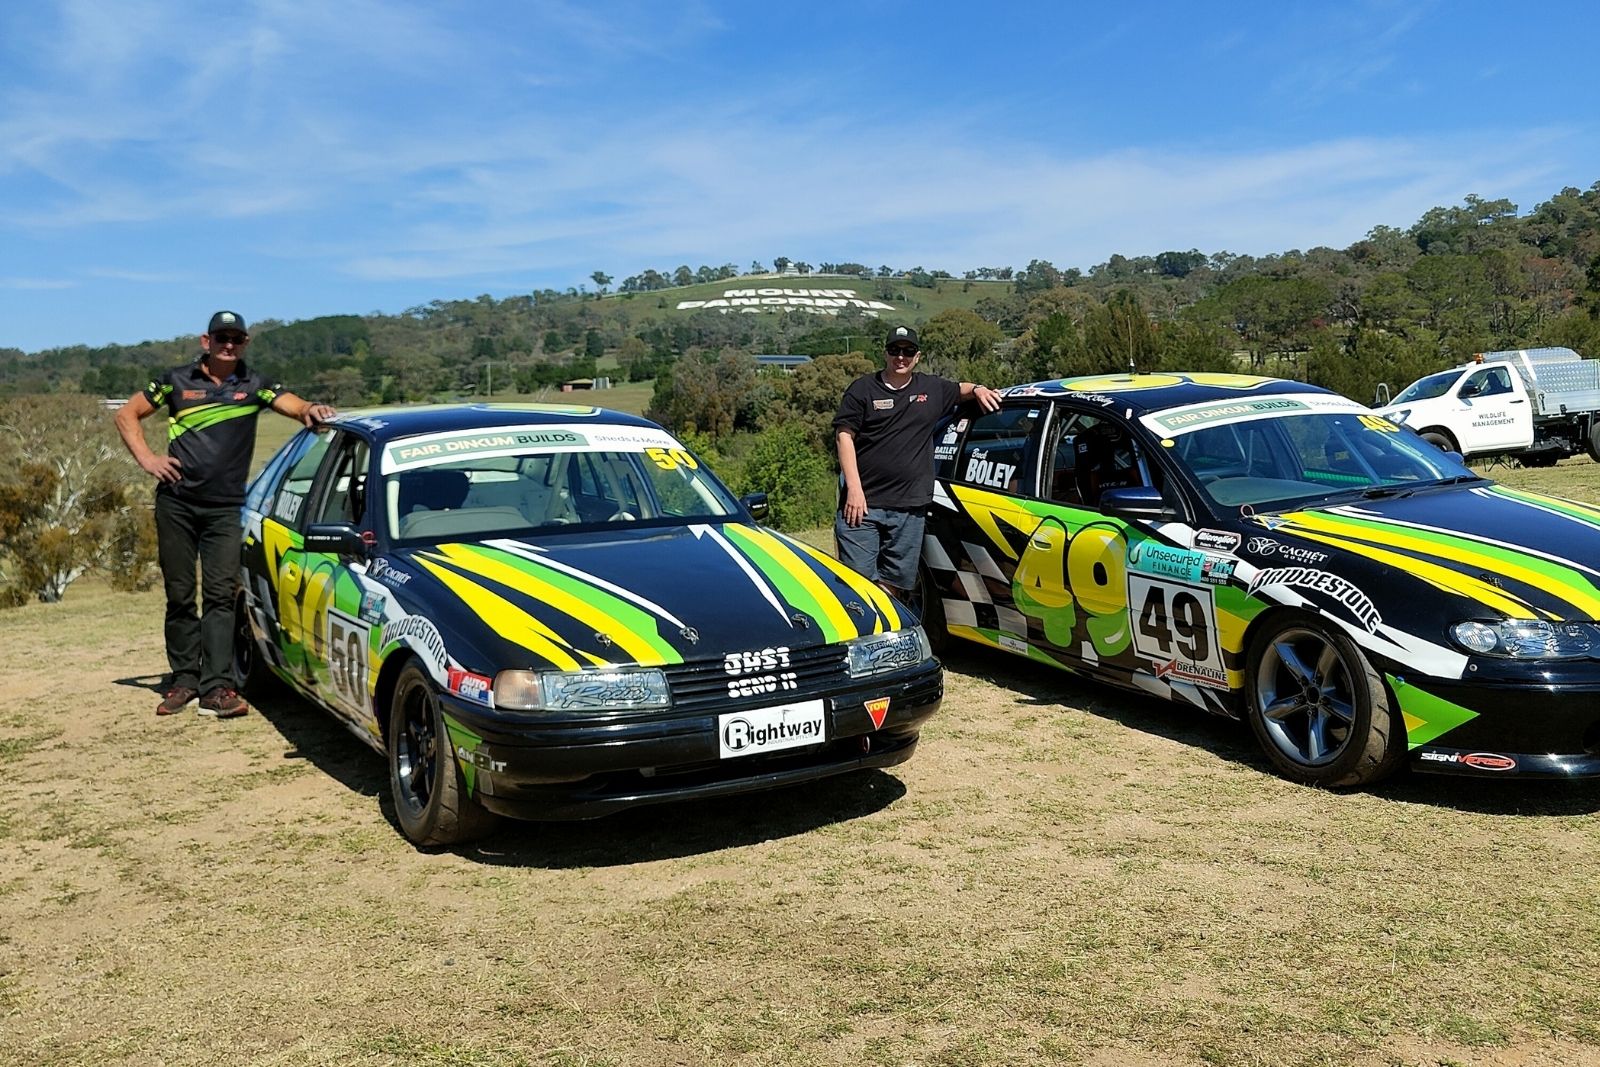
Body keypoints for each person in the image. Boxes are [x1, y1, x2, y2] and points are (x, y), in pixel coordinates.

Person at [115, 311, 338, 718]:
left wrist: (312, 409)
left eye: (236, 338)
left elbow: (294, 405)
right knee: (180, 595)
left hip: (224, 509)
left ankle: (216, 688)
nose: (228, 345)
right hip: (177, 504)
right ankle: (184, 680)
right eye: (221, 337)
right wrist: (148, 459)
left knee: (220, 596)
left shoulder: (255, 384)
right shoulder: (175, 380)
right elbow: (126, 414)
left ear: (246, 342)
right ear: (206, 340)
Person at [833, 325, 1002, 600]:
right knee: (858, 586)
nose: (901, 357)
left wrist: (980, 390)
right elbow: (844, 436)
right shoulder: (862, 390)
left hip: (910, 507)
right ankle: (861, 639)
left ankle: (886, 638)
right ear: (885, 354)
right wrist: (853, 489)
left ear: (918, 356)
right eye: (895, 350)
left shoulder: (932, 388)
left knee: (893, 585)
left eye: (908, 351)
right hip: (863, 506)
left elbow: (962, 389)